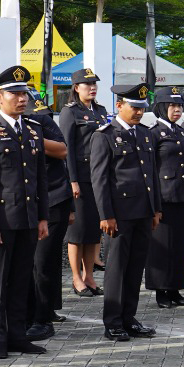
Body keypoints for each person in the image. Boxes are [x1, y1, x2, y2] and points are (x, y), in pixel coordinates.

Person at [0, 67, 49, 359]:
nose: (21, 99)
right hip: (2, 221)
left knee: (20, 279)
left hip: (28, 217)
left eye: (24, 93)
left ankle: (18, 335)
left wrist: (42, 217)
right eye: (14, 94)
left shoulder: (31, 130)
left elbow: (40, 178)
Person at [90, 82, 160, 342]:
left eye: (142, 108)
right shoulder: (105, 135)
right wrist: (105, 215)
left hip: (143, 211)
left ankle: (129, 318)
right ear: (119, 105)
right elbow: (100, 179)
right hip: (119, 213)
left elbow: (151, 174)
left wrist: (156, 209)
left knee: (135, 268)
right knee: (117, 269)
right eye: (134, 107)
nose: (139, 112)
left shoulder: (145, 133)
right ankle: (113, 322)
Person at [26, 87, 73, 340]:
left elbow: (62, 150)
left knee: (43, 262)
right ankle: (27, 313)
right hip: (22, 203)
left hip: (53, 199)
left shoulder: (40, 120)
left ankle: (43, 318)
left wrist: (30, 138)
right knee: (27, 263)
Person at [143, 86, 184, 308]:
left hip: (182, 195)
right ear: (161, 107)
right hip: (163, 197)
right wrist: (154, 204)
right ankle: (161, 292)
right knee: (161, 247)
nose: (177, 110)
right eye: (172, 106)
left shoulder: (183, 132)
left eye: (179, 106)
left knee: (179, 245)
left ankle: (175, 289)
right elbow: (150, 170)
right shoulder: (153, 133)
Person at [59, 68, 108, 298]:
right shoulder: (70, 112)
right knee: (77, 231)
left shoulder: (100, 110)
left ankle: (89, 275)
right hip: (80, 177)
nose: (92, 87)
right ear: (76, 88)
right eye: (87, 84)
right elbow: (66, 148)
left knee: (92, 231)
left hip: (99, 178)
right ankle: (77, 278)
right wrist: (72, 180)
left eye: (94, 84)